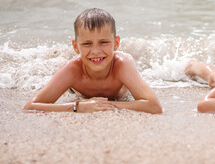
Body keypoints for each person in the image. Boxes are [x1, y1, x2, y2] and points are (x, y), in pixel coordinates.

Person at [24, 8, 162, 114]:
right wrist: (77, 107)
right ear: (76, 46)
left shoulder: (121, 65)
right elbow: (30, 107)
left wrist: (101, 106)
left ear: (116, 43)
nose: (95, 51)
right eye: (87, 44)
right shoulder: (73, 69)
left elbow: (154, 106)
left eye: (103, 42)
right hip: (76, 91)